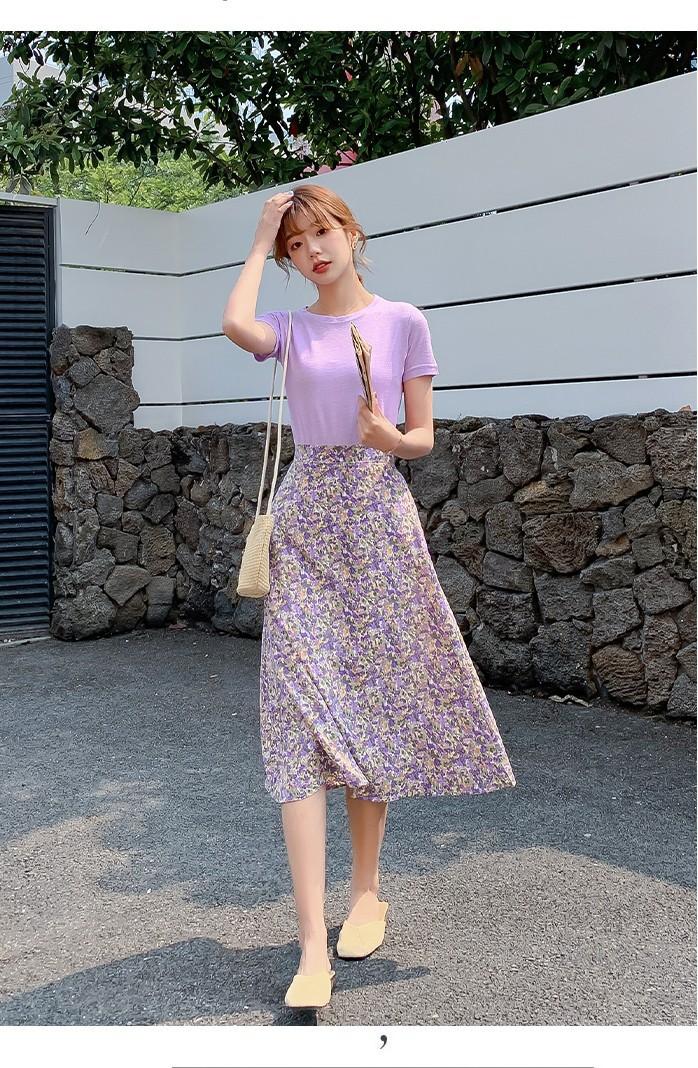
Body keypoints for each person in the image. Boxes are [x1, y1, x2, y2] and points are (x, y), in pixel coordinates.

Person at [222, 184, 516, 1010]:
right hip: (306, 525)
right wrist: (258, 237)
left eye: (322, 232)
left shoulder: (403, 321)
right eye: (296, 244)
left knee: (372, 703)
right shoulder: (288, 328)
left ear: (351, 233)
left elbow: (422, 436)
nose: (313, 249)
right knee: (294, 721)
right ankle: (311, 944)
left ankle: (365, 893)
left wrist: (392, 438)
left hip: (379, 521)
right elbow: (235, 324)